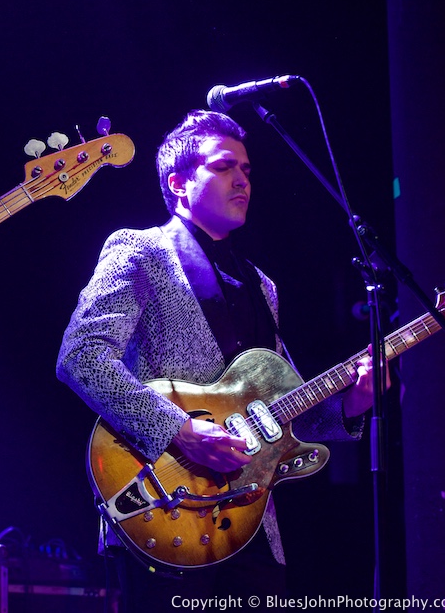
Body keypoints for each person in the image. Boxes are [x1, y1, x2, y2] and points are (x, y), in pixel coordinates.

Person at [56, 110, 376, 610]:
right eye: (224, 167)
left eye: (246, 169)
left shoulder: (262, 285)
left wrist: (352, 404)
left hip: (250, 524)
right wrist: (180, 431)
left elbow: (284, 407)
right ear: (179, 183)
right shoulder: (140, 251)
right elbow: (81, 357)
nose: (242, 179)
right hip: (164, 509)